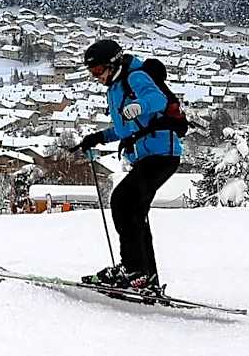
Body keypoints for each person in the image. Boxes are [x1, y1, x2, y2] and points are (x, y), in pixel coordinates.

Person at [74, 39, 182, 294]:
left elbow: (157, 99)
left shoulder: (136, 76)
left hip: (162, 153)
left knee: (122, 200)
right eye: (92, 72)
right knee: (135, 214)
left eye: (98, 70)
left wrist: (140, 105)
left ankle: (133, 270)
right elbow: (126, 129)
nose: (96, 77)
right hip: (149, 156)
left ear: (113, 64)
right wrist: (98, 137)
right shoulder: (115, 88)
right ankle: (147, 277)